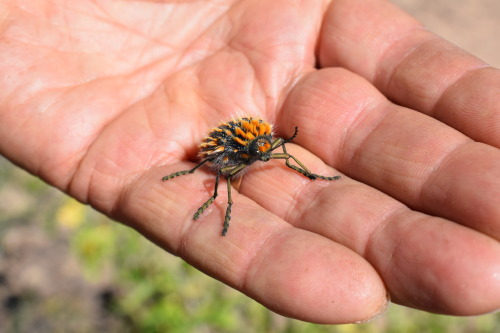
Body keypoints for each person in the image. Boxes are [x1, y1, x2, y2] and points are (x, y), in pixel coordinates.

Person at [0, 0, 499, 324]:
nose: (276, 152)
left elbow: (273, 147)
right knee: (224, 174)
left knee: (269, 157)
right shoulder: (236, 155)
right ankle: (222, 200)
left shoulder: (268, 144)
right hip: (226, 148)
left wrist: (309, 170)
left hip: (242, 140)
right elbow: (227, 161)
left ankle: (267, 183)